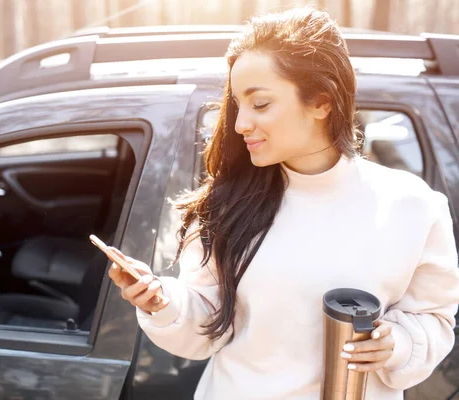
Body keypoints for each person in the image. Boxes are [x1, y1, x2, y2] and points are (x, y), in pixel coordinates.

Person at [108, 6, 459, 399]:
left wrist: (397, 343)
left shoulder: (413, 207)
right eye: (237, 105)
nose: (240, 124)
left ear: (321, 103)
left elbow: (434, 321)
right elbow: (204, 323)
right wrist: (161, 300)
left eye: (259, 104)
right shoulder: (230, 203)